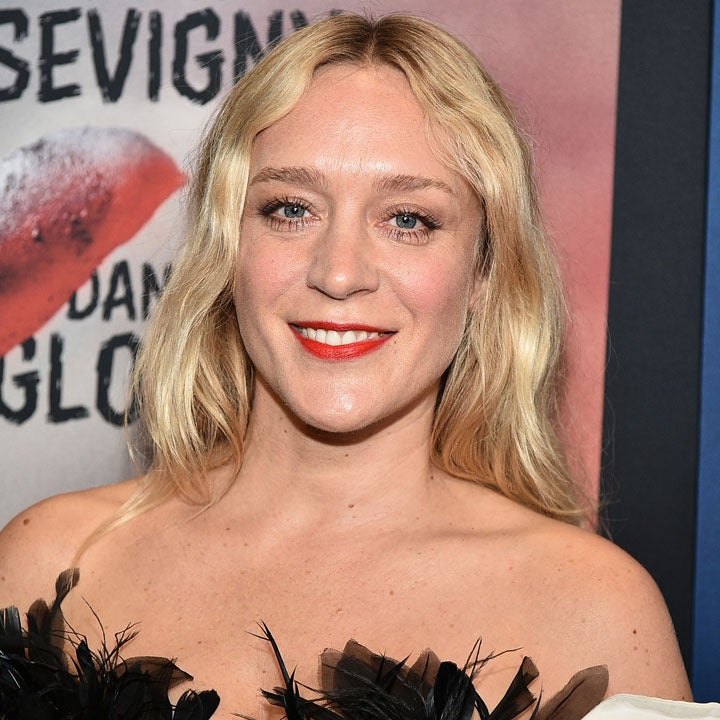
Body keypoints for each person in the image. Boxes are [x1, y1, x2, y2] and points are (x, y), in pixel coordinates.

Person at [0, 12, 692, 719]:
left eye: (408, 220)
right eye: (290, 209)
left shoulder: (594, 611)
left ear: (484, 272)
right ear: (227, 248)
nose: (338, 273)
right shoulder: (48, 563)